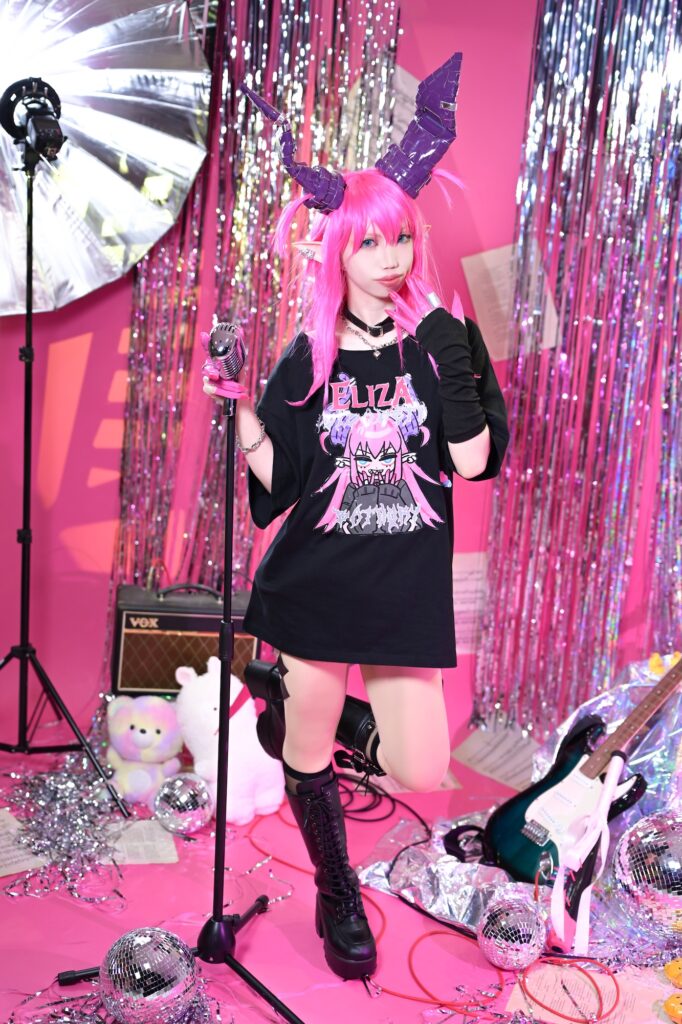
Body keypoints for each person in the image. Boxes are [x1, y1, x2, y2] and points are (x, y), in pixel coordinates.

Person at [203, 52, 509, 981]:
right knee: (305, 752)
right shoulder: (312, 354)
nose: (390, 260)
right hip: (316, 583)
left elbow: (473, 462)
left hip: (402, 590)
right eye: (369, 245)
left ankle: (312, 710)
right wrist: (240, 410)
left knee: (419, 770)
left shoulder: (443, 338)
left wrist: (450, 355)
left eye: (400, 239)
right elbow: (284, 480)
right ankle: (337, 890)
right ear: (338, 252)